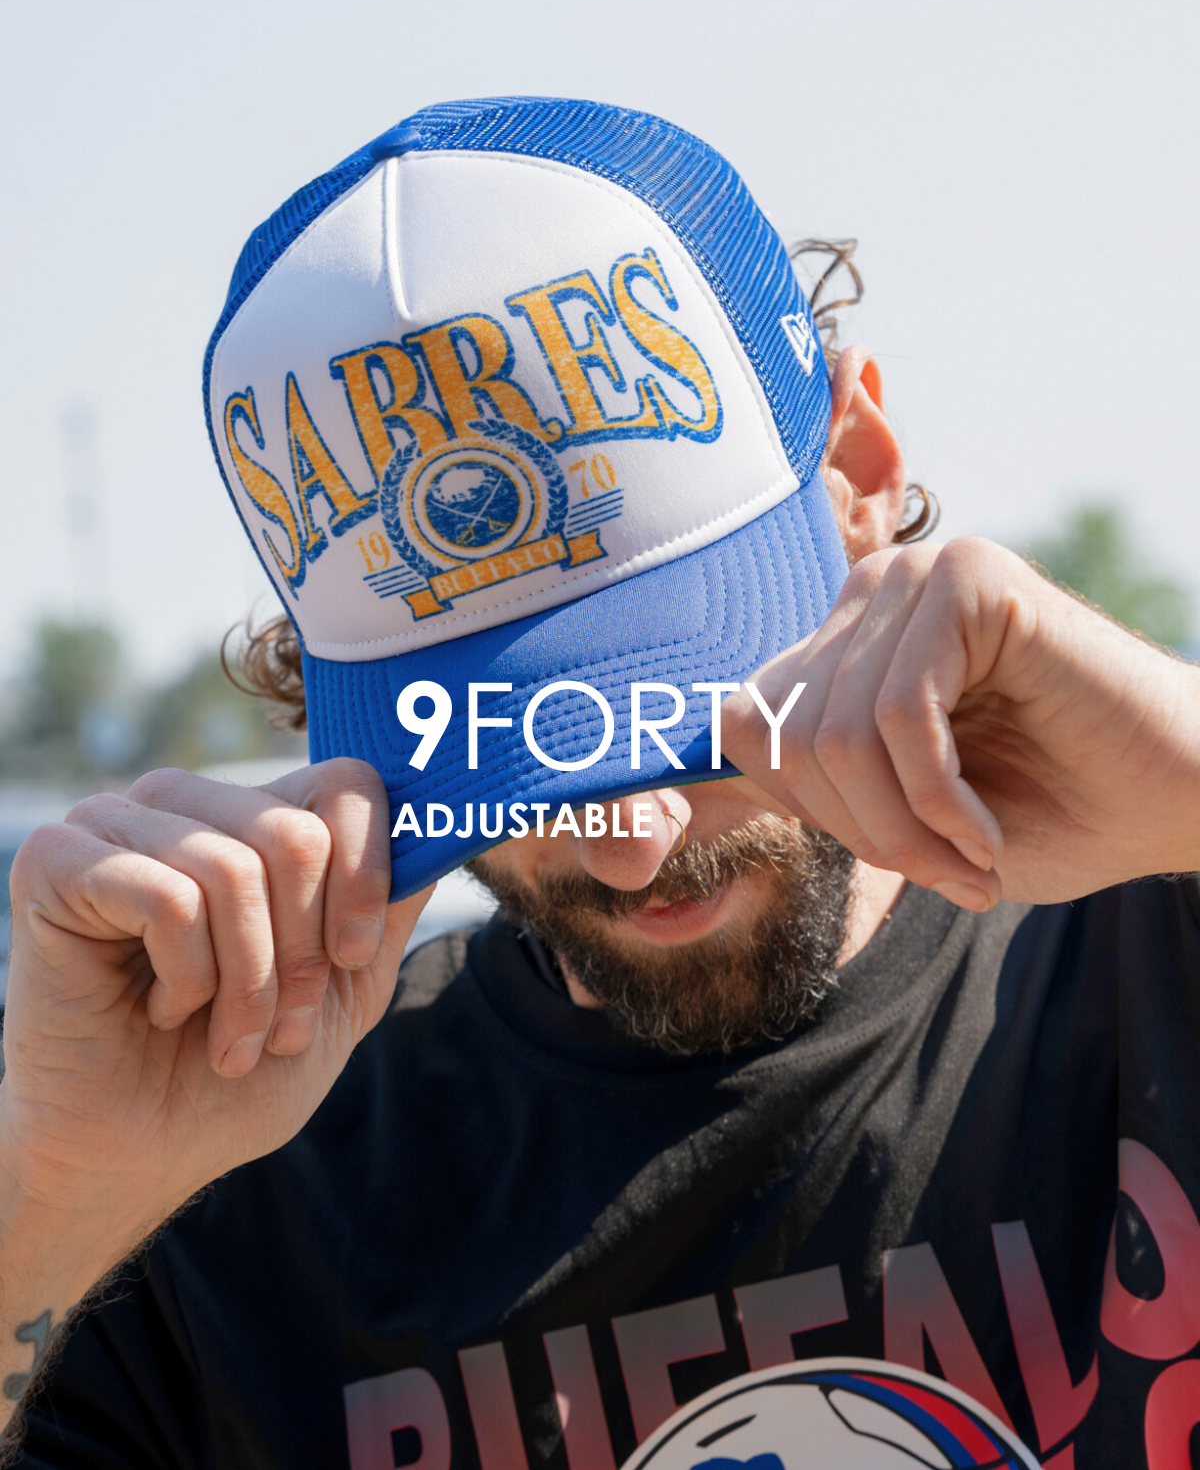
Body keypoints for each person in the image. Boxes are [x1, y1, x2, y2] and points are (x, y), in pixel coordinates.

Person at [2, 97, 1199, 1469]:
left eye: (687, 723)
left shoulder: (1153, 947)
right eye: (503, 763)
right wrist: (55, 1192)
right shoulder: (230, 1193)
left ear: (858, 476)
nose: (625, 846)